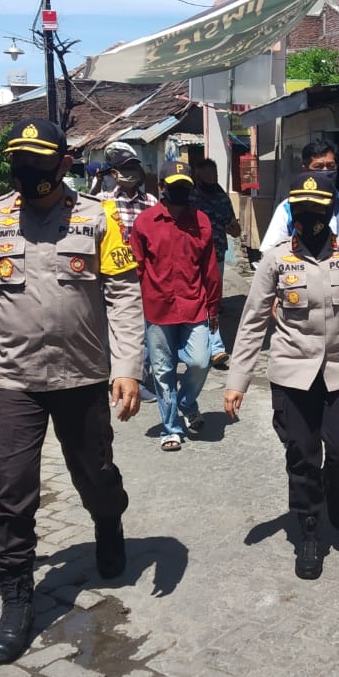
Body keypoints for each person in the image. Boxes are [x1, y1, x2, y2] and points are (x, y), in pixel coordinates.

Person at [0, 118, 144, 664]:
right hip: (15, 379)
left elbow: (123, 294)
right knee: (9, 490)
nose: (28, 170)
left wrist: (127, 366)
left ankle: (108, 521)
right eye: (20, 160)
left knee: (96, 474)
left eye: (39, 161)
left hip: (82, 375)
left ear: (63, 164)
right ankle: (16, 598)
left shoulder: (98, 217)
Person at [225, 171, 339, 580]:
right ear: (292, 213)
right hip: (292, 372)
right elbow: (253, 320)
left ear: (331, 211)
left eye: (316, 211)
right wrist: (237, 380)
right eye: (300, 210)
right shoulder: (277, 258)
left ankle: (334, 488)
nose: (308, 218)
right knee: (301, 454)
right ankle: (310, 530)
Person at [130, 161, 221, 451]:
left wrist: (214, 307)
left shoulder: (201, 221)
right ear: (161, 188)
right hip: (157, 308)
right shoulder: (145, 223)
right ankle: (170, 427)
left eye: (185, 186)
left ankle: (187, 402)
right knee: (162, 370)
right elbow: (137, 268)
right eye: (175, 186)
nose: (181, 191)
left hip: (194, 305)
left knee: (200, 361)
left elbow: (210, 268)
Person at [103, 141, 160, 403]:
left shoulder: (150, 202)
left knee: (140, 328)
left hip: (143, 272)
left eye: (134, 169)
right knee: (113, 327)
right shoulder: (103, 202)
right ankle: (115, 374)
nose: (131, 174)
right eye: (126, 169)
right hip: (111, 274)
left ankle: (139, 377)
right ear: (114, 173)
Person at [257, 140, 339, 257]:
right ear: (305, 169)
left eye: (330, 166)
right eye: (318, 167)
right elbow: (269, 251)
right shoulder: (288, 207)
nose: (325, 171)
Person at [190, 158, 241, 368]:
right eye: (207, 174)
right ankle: (214, 347)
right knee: (202, 301)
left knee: (212, 301)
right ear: (198, 175)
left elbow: (233, 227)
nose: (212, 178)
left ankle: (211, 347)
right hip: (194, 257)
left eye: (214, 174)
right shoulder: (190, 197)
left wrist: (234, 228)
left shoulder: (221, 197)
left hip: (217, 255)